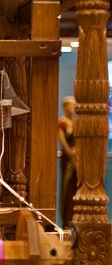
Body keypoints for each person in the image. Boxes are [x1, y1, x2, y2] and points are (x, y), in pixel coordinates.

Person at [58, 95, 77, 227]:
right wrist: (70, 152)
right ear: (65, 107)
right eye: (70, 105)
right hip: (67, 159)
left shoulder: (76, 123)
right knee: (66, 188)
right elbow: (63, 142)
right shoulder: (62, 123)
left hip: (77, 159)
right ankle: (66, 221)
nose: (73, 108)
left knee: (75, 187)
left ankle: (74, 219)